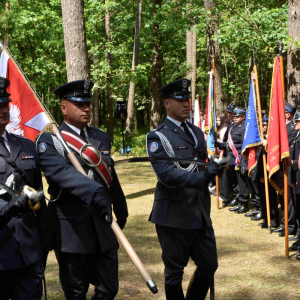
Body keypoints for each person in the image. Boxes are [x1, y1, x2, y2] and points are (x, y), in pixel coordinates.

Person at [37, 80, 128, 299]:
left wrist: (121, 209)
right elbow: (60, 174)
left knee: (109, 289)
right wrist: (95, 191)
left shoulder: (100, 137)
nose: (86, 108)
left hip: (103, 226)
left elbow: (110, 176)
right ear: (63, 107)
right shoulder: (50, 141)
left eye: (87, 103)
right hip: (72, 232)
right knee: (76, 292)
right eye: (79, 104)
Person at [146, 78, 226, 300]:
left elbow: (202, 163)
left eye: (187, 99)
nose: (186, 104)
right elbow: (167, 175)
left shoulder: (196, 132)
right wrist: (203, 176)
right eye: (179, 100)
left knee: (209, 265)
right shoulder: (157, 136)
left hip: (199, 213)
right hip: (173, 215)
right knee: (174, 273)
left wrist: (216, 166)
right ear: (167, 104)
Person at [0, 77, 52, 299]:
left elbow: (38, 196)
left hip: (29, 252)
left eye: (5, 105)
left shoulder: (26, 145)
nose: (3, 110)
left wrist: (46, 240)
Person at [274, 103, 297, 236]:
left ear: (288, 114)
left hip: (288, 166)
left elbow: (285, 147)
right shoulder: (283, 128)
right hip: (282, 166)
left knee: (288, 197)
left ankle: (290, 225)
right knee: (283, 196)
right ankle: (285, 223)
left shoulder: (291, 129)